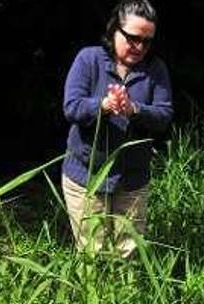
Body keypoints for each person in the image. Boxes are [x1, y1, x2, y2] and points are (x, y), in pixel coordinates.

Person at [61, 0, 173, 257]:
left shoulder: (155, 69)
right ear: (114, 30)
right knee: (94, 252)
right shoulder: (89, 59)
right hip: (87, 176)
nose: (140, 47)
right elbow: (72, 107)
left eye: (147, 41)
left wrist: (134, 110)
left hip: (133, 177)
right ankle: (93, 298)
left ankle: (127, 295)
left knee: (129, 251)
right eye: (133, 38)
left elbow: (164, 114)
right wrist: (103, 105)